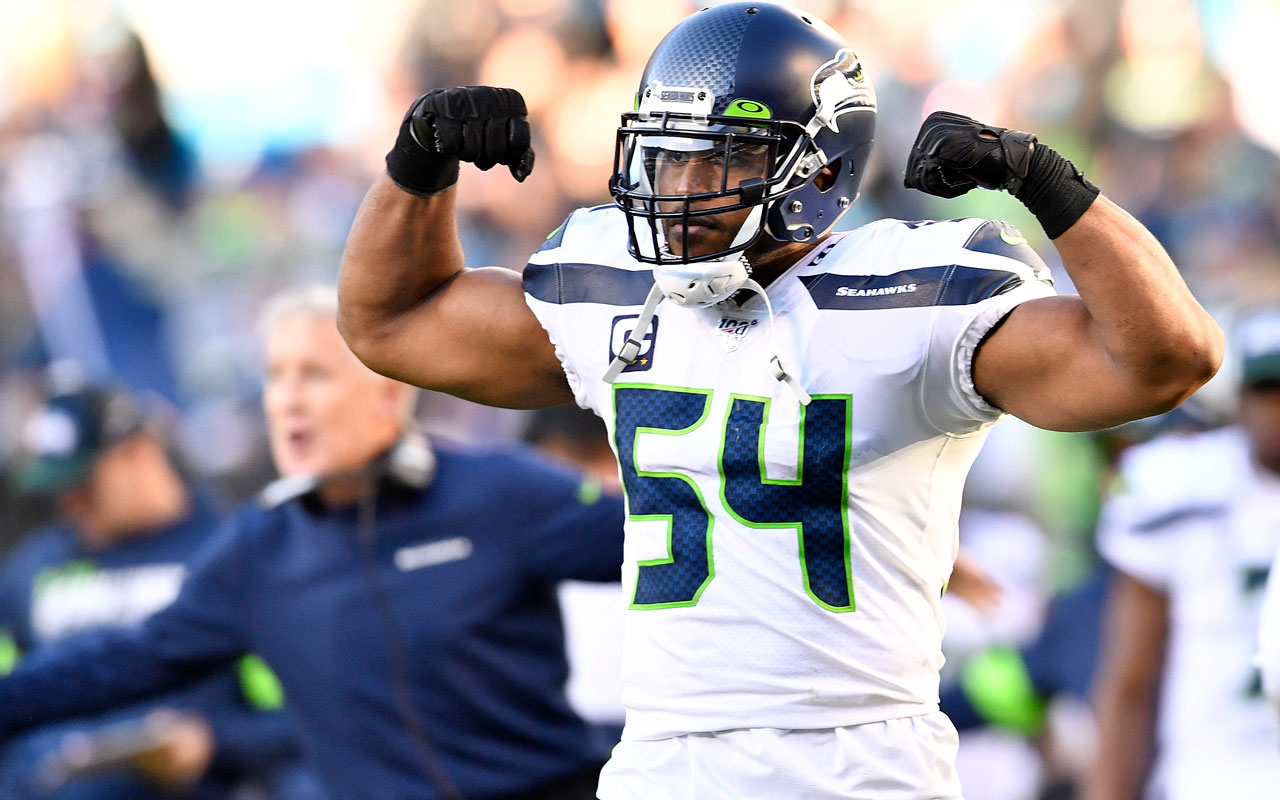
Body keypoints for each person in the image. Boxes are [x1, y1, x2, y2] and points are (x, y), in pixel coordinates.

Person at [336, 3, 1222, 796]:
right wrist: (418, 169)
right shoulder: (611, 284)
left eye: (720, 157)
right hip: (663, 759)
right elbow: (388, 321)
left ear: (818, 168)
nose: (679, 188)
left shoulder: (913, 294)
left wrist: (1054, 189)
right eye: (668, 155)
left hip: (860, 763)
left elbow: (1166, 361)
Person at [0, 286, 627, 800]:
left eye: (315, 375)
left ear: (389, 391)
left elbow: (675, 542)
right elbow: (120, 661)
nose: (288, 401)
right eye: (275, 376)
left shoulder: (499, 493)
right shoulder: (255, 551)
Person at [0, 377, 308, 800]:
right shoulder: (31, 569)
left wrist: (216, 741)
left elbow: (310, 714)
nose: (69, 505)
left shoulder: (229, 551)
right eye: (59, 490)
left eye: (84, 485)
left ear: (139, 451)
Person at [1088, 306, 1280, 800]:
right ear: (1241, 400)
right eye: (1269, 392)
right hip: (1207, 777)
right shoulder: (1179, 482)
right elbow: (1131, 680)